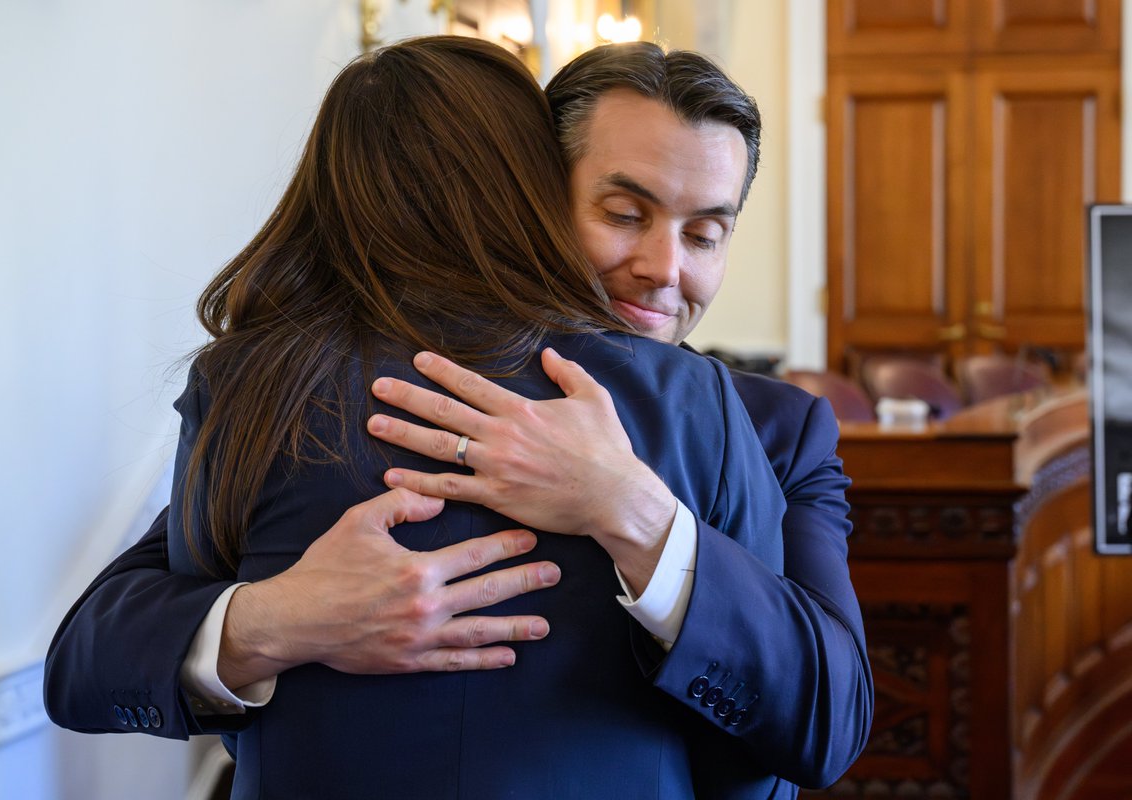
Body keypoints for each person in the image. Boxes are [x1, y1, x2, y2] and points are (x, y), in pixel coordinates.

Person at [44, 38, 872, 798]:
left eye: (705, 233)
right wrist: (273, 619)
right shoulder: (278, 394)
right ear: (532, 192)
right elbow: (91, 656)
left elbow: (822, 722)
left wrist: (633, 511)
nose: (663, 269)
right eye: (623, 214)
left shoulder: (764, 424)